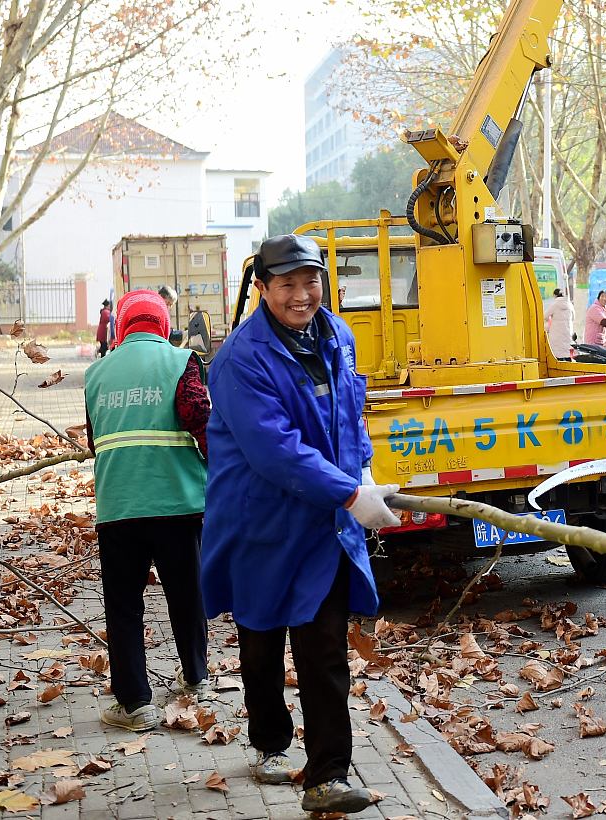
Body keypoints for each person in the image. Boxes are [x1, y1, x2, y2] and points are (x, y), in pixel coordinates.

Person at [201, 233, 398, 815]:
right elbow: (275, 451)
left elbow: (349, 414)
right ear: (262, 289)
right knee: (261, 641)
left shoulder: (338, 335)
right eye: (286, 284)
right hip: (261, 523)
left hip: (322, 523)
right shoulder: (240, 359)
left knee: (323, 649)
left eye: (310, 280)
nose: (301, 294)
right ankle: (268, 739)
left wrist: (362, 467)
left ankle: (327, 775)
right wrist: (349, 492)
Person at [84, 289, 211, 731]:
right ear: (162, 324)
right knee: (186, 593)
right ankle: (196, 677)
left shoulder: (95, 373)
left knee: (122, 604)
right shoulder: (182, 363)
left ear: (121, 326)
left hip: (118, 505)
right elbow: (201, 421)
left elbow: (93, 439)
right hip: (179, 502)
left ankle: (135, 703)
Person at [543, 287, 575, 358]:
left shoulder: (555, 304)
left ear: (555, 295)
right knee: (566, 351)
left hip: (556, 331)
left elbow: (545, 316)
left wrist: (549, 321)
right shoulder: (570, 304)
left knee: (557, 352)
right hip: (568, 331)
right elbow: (573, 317)